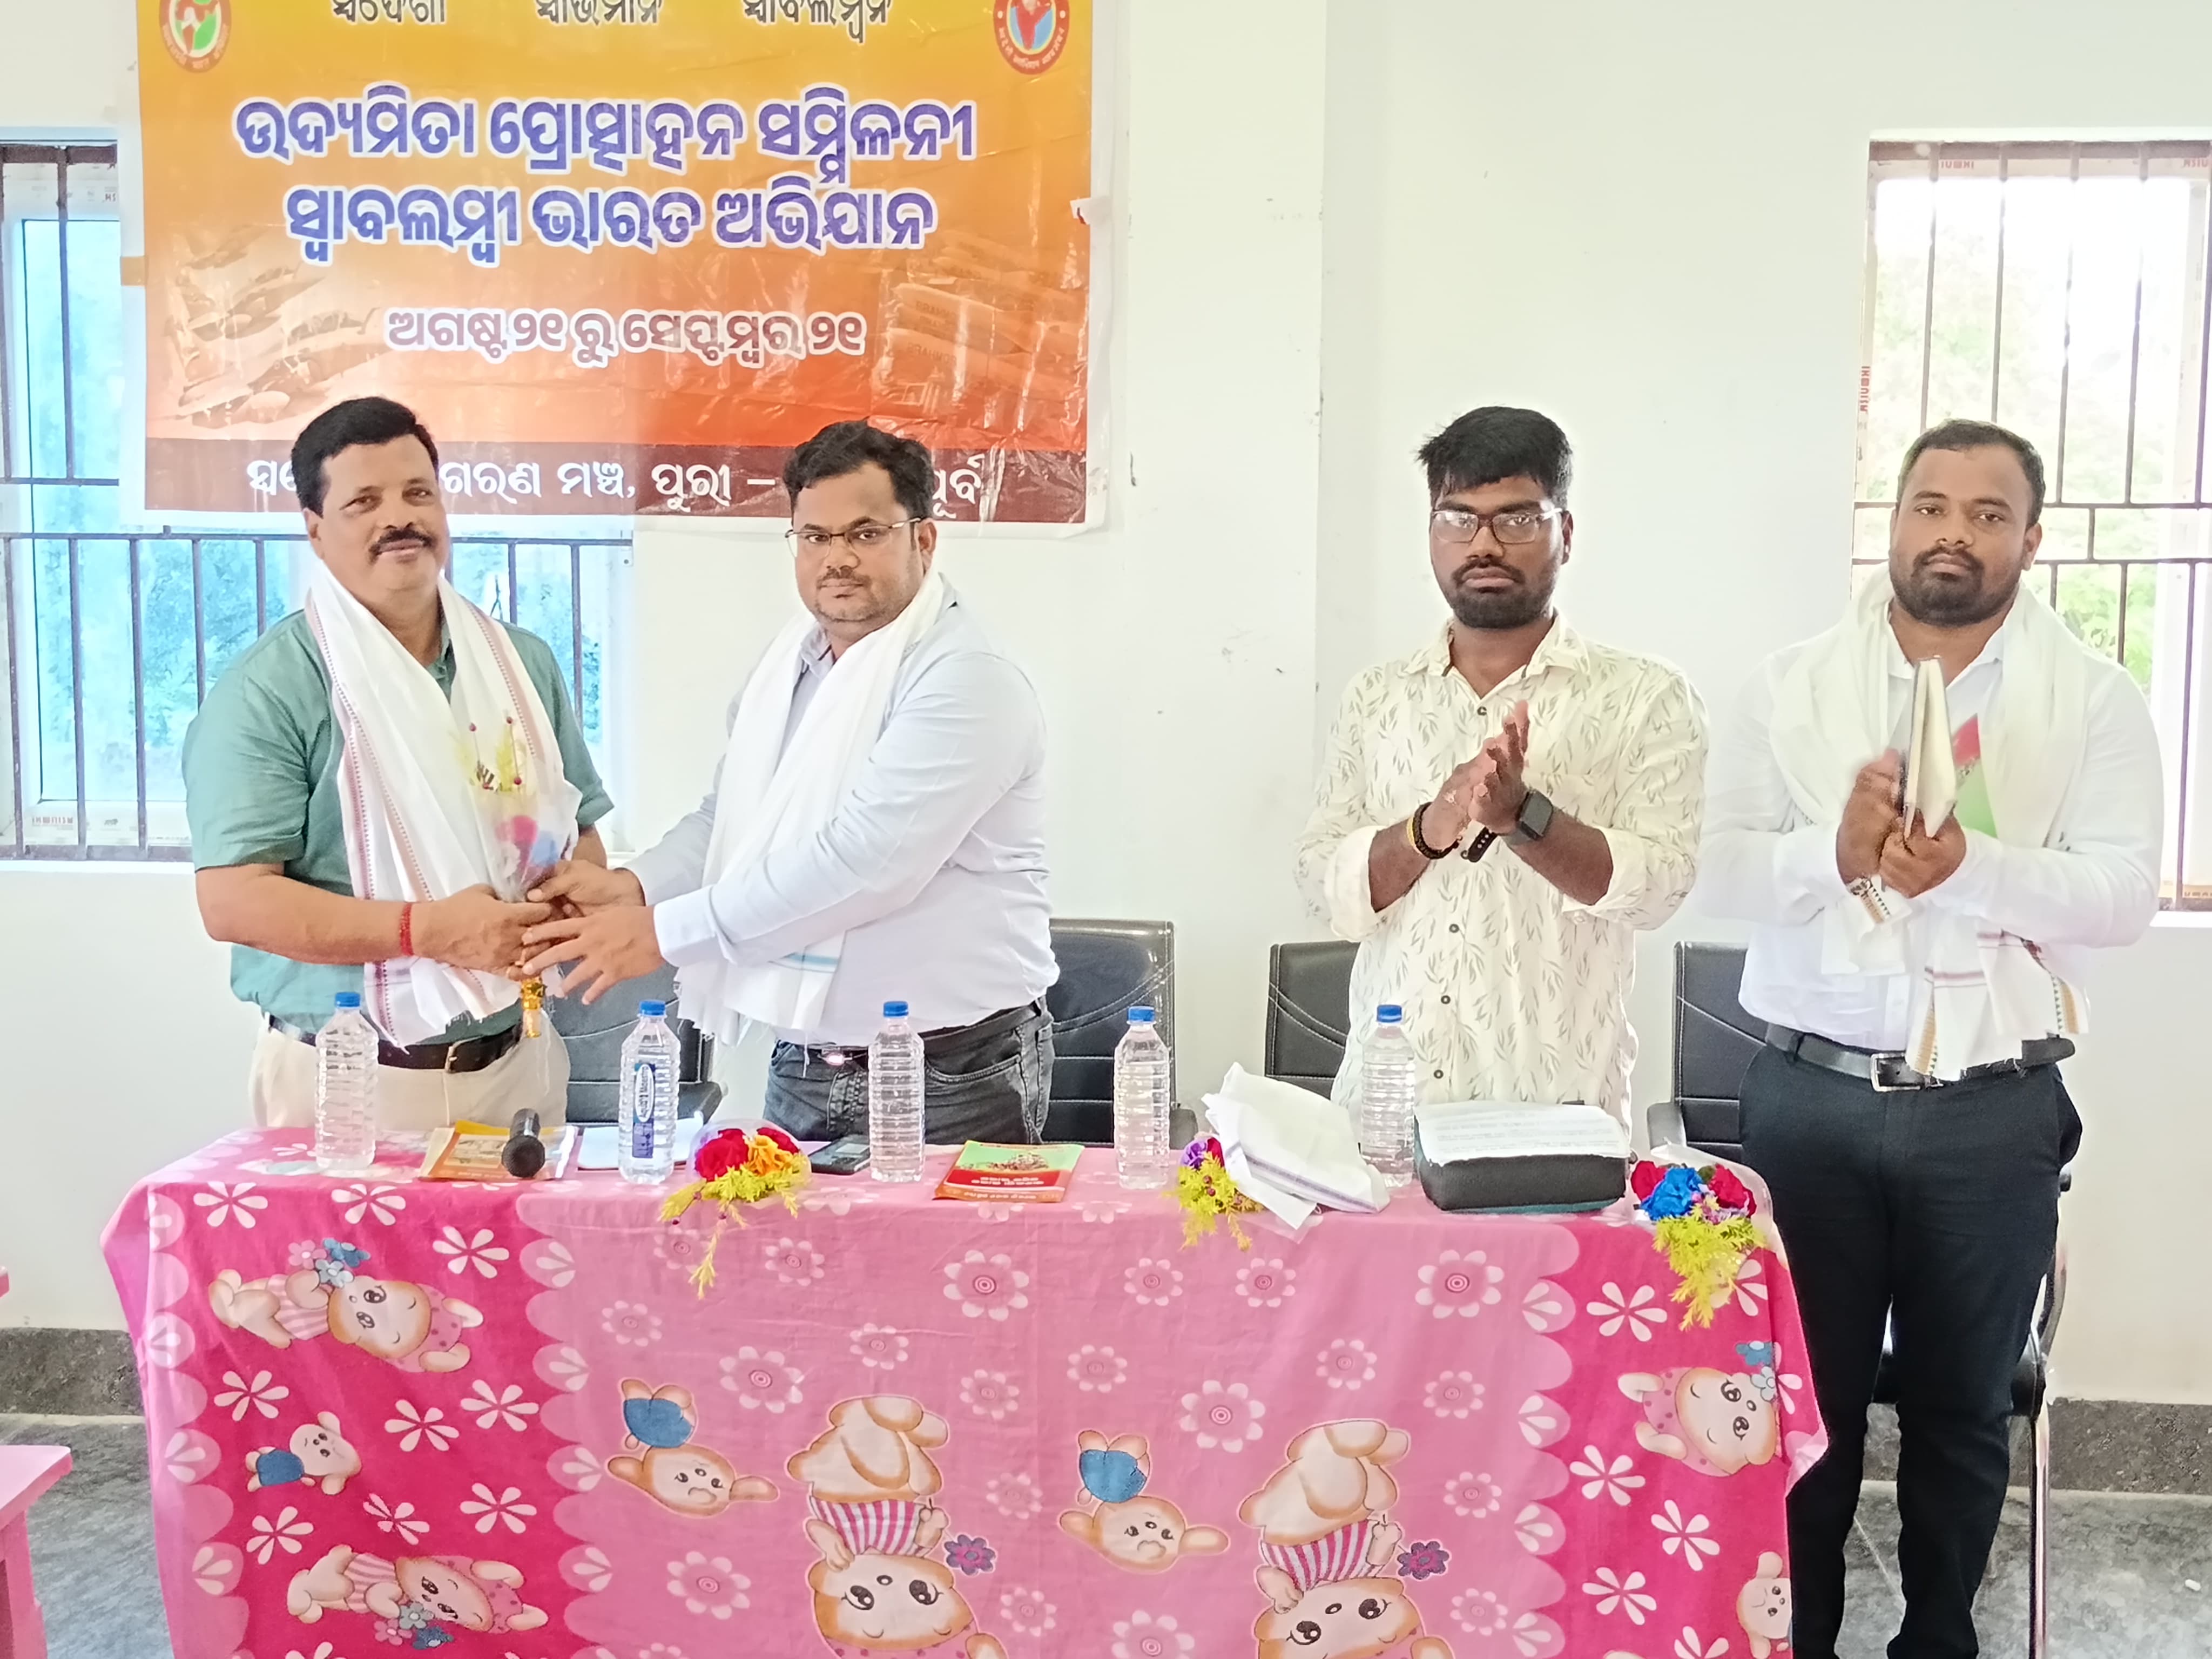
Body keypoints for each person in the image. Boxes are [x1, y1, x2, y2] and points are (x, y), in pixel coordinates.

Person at [1701, 419, 2162, 1659]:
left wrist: (1972, 869)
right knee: (1801, 1410)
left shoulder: (2093, 700)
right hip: (1810, 1100)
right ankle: (1795, 1642)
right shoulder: (1789, 687)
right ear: (1891, 522)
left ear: (2029, 540)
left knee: (1962, 1414)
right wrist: (1831, 855)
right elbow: (1715, 873)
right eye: (1929, 506)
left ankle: (1939, 1639)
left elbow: (2122, 894)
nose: (1953, 533)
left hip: (1990, 1105)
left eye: (1986, 514)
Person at [522, 420, 1056, 1143]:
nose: (838, 558)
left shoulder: (966, 679)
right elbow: (730, 821)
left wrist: (665, 933)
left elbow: (866, 864)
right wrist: (634, 888)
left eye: (866, 534)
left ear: (923, 540)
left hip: (950, 1071)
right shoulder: (790, 670)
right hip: (805, 1062)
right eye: (816, 536)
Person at [184, 396, 613, 1129]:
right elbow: (232, 901)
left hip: (520, 1057)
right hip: (350, 1077)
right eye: (364, 502)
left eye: (418, 493)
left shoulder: (520, 664)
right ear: (315, 531)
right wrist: (427, 931)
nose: (400, 518)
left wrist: (567, 897)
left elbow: (582, 835)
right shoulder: (272, 689)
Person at [1294, 406, 1707, 1118]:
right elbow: (1325, 888)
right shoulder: (1376, 698)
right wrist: (1429, 827)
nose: (1483, 544)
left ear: (1565, 533)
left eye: (1516, 519)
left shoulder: (1647, 697)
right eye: (1458, 519)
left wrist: (1524, 818)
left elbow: (1658, 890)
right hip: (1387, 1115)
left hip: (1558, 1117)